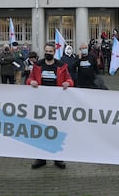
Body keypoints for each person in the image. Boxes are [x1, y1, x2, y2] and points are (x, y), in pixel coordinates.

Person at [27, 42, 73, 170]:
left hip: (56, 104)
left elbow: (70, 80)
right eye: (46, 51)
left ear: (54, 52)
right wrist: (32, 82)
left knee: (56, 130)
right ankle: (41, 158)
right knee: (41, 130)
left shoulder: (61, 66)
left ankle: (58, 158)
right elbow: (29, 79)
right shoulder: (37, 65)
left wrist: (67, 83)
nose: (48, 53)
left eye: (50, 51)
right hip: (41, 103)